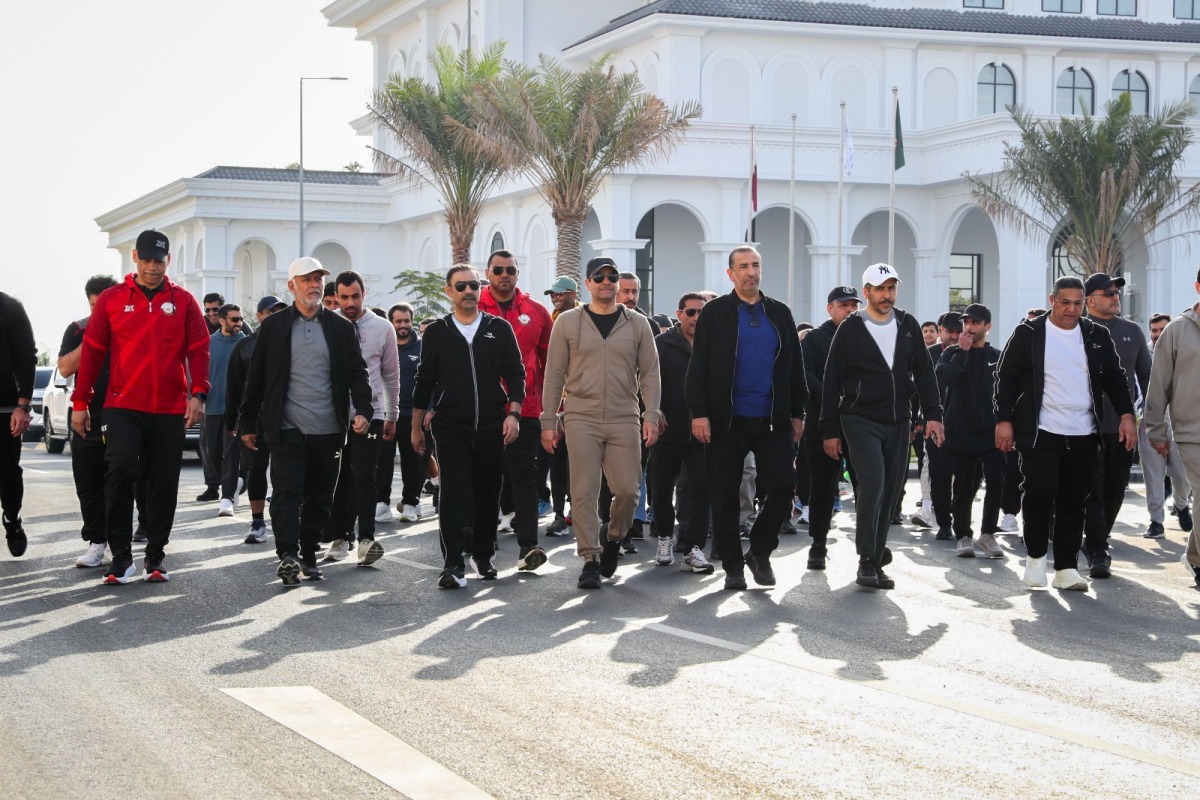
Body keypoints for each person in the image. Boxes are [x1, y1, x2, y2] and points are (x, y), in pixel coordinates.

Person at [71, 230, 209, 584]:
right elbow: (94, 352)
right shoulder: (113, 299)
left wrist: (198, 394)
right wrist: (81, 401)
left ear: (168, 262)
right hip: (122, 405)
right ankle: (121, 557)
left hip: (167, 408)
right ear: (135, 257)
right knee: (119, 471)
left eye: (158, 261)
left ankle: (156, 555)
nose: (152, 267)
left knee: (162, 482)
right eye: (146, 260)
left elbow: (199, 348)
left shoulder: (184, 301)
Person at [238, 257, 374, 587]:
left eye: (317, 278)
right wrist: (247, 421)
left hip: (329, 429)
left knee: (319, 496)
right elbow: (256, 377)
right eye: (307, 279)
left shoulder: (341, 328)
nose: (314, 284)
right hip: (286, 428)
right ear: (291, 286)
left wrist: (364, 411)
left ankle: (309, 556)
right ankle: (288, 554)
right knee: (286, 491)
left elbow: (358, 372)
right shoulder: (274, 326)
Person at [995, 276, 1135, 592]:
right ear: (1052, 300)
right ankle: (1034, 560)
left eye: (1077, 303)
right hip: (1040, 432)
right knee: (1040, 491)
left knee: (1074, 501)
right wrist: (1003, 420)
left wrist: (1127, 415)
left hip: (1084, 433)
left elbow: (1115, 379)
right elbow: (1006, 378)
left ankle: (1066, 568)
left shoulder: (1096, 335)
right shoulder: (1029, 333)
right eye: (1065, 302)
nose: (1071, 310)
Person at [686, 245, 807, 590]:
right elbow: (700, 368)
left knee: (783, 485)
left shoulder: (780, 313)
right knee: (724, 493)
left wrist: (797, 412)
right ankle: (733, 566)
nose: (751, 272)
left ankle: (760, 550)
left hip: (772, 419)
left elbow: (795, 368)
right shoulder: (716, 313)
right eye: (743, 267)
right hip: (726, 420)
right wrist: (700, 413)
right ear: (731, 274)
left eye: (756, 265)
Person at [821, 263, 943, 590]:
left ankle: (875, 555)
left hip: (899, 419)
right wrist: (830, 430)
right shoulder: (850, 328)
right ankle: (867, 559)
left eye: (891, 288)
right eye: (880, 288)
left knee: (890, 491)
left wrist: (934, 414)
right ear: (867, 293)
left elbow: (925, 372)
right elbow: (831, 380)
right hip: (858, 418)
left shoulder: (907, 324)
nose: (887, 295)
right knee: (873, 483)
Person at [541, 257, 661, 590]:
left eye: (612, 276)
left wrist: (650, 414)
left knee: (627, 490)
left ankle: (613, 537)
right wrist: (548, 421)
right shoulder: (567, 322)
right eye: (600, 276)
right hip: (581, 416)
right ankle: (590, 558)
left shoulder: (637, 324)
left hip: (625, 416)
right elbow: (554, 375)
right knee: (583, 491)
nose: (607, 281)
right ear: (588, 283)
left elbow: (650, 373)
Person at [412, 264, 529, 588]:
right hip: (450, 425)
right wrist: (415, 426)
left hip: (492, 424)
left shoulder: (499, 328)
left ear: (480, 290)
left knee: (487, 491)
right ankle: (452, 564)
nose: (468, 291)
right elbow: (424, 381)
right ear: (448, 291)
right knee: (453, 492)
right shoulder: (436, 332)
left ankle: (484, 554)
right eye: (461, 286)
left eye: (473, 285)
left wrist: (513, 413)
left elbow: (516, 373)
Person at [478, 250, 552, 564]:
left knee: (525, 479)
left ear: (518, 273)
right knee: (484, 478)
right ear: (488, 272)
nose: (504, 275)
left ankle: (528, 547)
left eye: (510, 269)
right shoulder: (472, 308)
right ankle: (481, 547)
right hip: (483, 411)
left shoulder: (537, 312)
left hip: (528, 411)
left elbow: (551, 363)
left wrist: (553, 409)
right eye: (498, 270)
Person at [321, 271, 399, 566]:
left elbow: (392, 375)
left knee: (365, 473)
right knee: (338, 478)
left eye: (355, 296)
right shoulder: (327, 326)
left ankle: (367, 538)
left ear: (364, 294)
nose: (350, 302)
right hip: (333, 417)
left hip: (374, 414)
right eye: (344, 297)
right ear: (336, 298)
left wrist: (392, 413)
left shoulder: (382, 328)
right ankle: (340, 537)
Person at [1080, 272, 1151, 576]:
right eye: (1108, 293)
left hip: (1123, 427)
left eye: (1116, 293)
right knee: (1092, 488)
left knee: (1116, 487)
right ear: (1090, 300)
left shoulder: (1132, 332)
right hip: (1084, 426)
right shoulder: (1076, 329)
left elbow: (1147, 378)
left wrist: (1149, 418)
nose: (1114, 297)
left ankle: (1097, 538)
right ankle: (1098, 549)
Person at [57, 275, 120, 566]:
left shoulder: (128, 326)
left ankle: (122, 543)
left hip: (123, 415)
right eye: (95, 305)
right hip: (86, 416)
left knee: (120, 482)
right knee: (87, 482)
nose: (100, 309)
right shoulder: (78, 328)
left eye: (105, 304)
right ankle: (97, 542)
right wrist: (94, 336)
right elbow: (66, 368)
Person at [650, 292, 714, 574]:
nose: (696, 318)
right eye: (691, 312)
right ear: (679, 314)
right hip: (667, 430)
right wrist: (652, 411)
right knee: (661, 490)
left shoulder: (714, 345)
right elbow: (644, 381)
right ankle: (665, 536)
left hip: (703, 433)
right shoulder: (661, 345)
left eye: (702, 312)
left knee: (701, 490)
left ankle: (694, 548)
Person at [935, 303, 1005, 559]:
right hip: (961, 430)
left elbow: (1008, 391)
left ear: (987, 326)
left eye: (975, 323)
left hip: (992, 431)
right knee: (965, 485)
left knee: (996, 480)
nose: (969, 327)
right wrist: (962, 352)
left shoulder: (997, 356)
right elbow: (945, 379)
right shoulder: (951, 353)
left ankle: (988, 534)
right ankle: (963, 534)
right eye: (966, 322)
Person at [1144, 271, 1200, 586]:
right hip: (1191, 432)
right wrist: (1156, 431)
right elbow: (1158, 387)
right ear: (1197, 287)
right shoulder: (1177, 330)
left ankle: (1195, 557)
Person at [800, 286, 860, 570]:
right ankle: (818, 544)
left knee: (866, 486)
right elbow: (805, 375)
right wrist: (832, 396)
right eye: (843, 305)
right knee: (822, 486)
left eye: (853, 305)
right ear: (830, 308)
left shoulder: (867, 336)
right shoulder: (813, 339)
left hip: (859, 422)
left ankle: (868, 549)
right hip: (822, 422)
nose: (849, 310)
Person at [225, 295, 287, 544]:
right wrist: (233, 423)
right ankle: (258, 521)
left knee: (285, 472)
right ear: (260, 315)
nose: (276, 316)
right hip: (255, 421)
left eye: (280, 312)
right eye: (271, 312)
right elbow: (234, 388)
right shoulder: (245, 346)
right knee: (257, 470)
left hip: (286, 418)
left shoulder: (289, 341)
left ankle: (287, 518)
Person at [1139, 312, 1193, 538]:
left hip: (1181, 420)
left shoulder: (1184, 348)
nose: (1157, 335)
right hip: (1149, 419)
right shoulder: (1144, 354)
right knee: (1153, 474)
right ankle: (1156, 520)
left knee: (1182, 473)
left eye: (1162, 330)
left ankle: (1180, 504)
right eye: (1154, 331)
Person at [376, 303, 425, 524]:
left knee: (412, 461)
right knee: (382, 459)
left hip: (413, 414)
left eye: (406, 321)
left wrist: (430, 409)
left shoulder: (422, 348)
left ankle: (411, 503)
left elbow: (432, 381)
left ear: (411, 321)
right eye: (398, 321)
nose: (403, 325)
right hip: (385, 414)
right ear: (391, 322)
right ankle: (382, 503)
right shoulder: (384, 345)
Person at [200, 304, 246, 514]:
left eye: (240, 319)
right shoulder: (208, 343)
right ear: (221, 320)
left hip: (235, 411)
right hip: (212, 408)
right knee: (213, 452)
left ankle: (227, 497)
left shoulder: (245, 343)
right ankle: (231, 481)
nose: (239, 323)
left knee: (231, 452)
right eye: (234, 319)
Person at [1, 291, 36, 557]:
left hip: (4, 409)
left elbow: (27, 356)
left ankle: (12, 520)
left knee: (7, 473)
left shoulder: (9, 307)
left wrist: (23, 405)